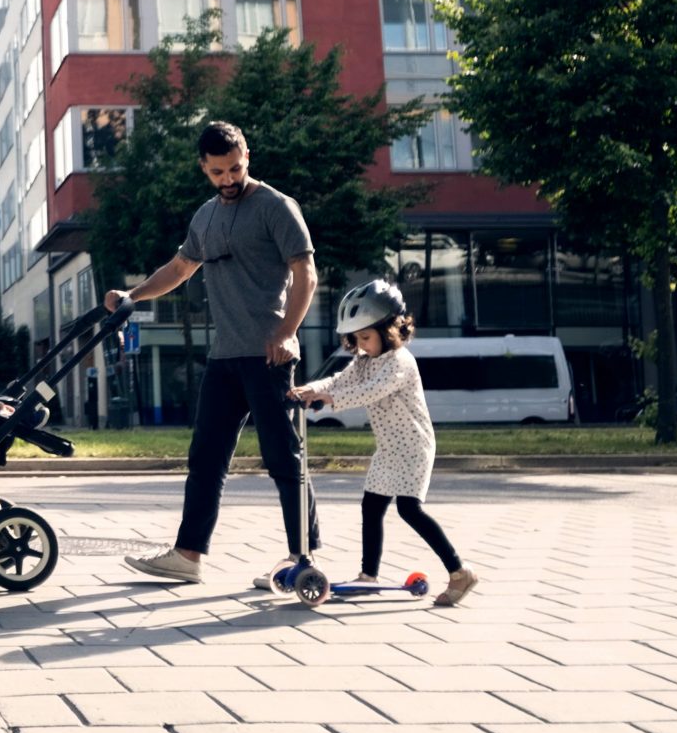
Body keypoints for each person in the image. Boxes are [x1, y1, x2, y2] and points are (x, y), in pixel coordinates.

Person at [104, 121, 319, 585]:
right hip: (225, 357)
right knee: (205, 458)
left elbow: (306, 274)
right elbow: (181, 268)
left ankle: (303, 557)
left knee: (283, 458)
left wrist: (287, 331)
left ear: (247, 157)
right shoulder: (205, 216)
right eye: (218, 171)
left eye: (236, 168)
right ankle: (187, 555)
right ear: (204, 168)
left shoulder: (277, 207)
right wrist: (133, 295)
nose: (229, 178)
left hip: (269, 355)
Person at [292, 278, 476, 608]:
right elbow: (339, 380)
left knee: (409, 509)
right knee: (372, 506)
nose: (361, 345)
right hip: (389, 449)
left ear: (389, 329)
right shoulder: (363, 361)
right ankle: (368, 576)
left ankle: (460, 572)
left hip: (414, 447)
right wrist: (311, 389)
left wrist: (329, 397)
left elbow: (371, 391)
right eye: (356, 339)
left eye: (366, 336)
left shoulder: (400, 363)